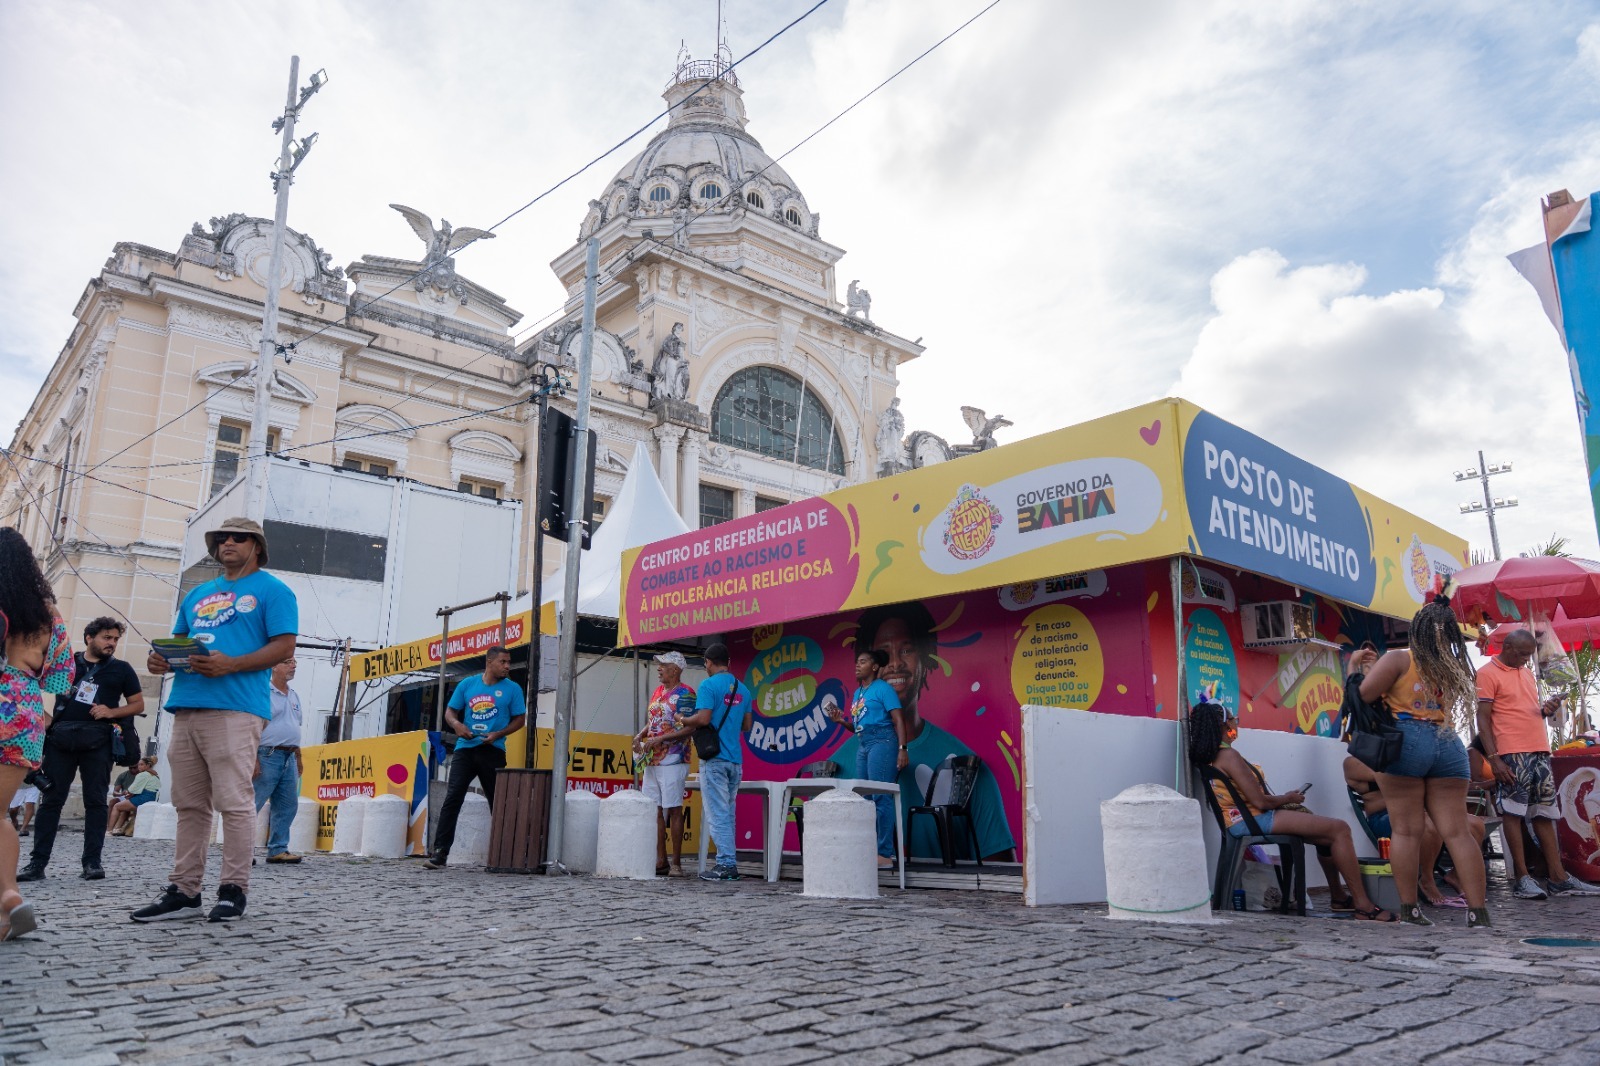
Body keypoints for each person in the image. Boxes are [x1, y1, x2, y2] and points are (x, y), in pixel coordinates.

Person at [133, 517, 297, 923]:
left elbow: (284, 646)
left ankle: (233, 890)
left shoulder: (273, 590)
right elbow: (176, 643)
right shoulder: (198, 593)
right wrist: (159, 661)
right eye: (221, 537)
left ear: (256, 545)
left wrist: (234, 664)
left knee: (236, 804)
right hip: (186, 705)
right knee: (189, 805)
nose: (228, 542)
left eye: (238, 537)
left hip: (237, 708)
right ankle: (185, 891)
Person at [831, 602, 1015, 862]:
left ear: (926, 659)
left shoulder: (967, 768)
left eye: (906, 649)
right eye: (883, 655)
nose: (895, 663)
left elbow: (1001, 875)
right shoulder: (838, 766)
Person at [1351, 594, 1490, 928]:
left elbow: (1363, 696)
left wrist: (1355, 668)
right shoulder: (1452, 667)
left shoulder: (1400, 658)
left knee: (1407, 831)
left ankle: (1410, 909)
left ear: (1418, 631)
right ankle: (1478, 912)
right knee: (1457, 832)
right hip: (1447, 742)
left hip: (1406, 741)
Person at [1189, 702, 1395, 921]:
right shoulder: (1229, 755)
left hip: (1241, 820)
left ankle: (1338, 897)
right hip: (1255, 819)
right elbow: (1260, 802)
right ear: (1221, 725)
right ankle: (1363, 905)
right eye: (1232, 719)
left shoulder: (1211, 756)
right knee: (1339, 829)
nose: (1235, 724)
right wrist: (1289, 798)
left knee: (1325, 835)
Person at [18, 616, 145, 882]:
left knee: (96, 803)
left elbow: (137, 705)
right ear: (90, 638)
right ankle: (37, 864)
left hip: (98, 742)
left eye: (115, 639)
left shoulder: (121, 669)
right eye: (106, 638)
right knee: (51, 802)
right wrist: (45, 719)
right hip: (60, 741)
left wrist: (112, 711)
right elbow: (28, 684)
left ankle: (92, 863)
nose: (111, 643)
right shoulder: (66, 664)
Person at [1475, 629, 1600, 899]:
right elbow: (1482, 718)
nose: (1524, 660)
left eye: (1528, 656)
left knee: (1546, 813)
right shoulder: (1487, 673)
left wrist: (1546, 709)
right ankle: (1522, 878)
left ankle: (1558, 877)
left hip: (1539, 749)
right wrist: (1494, 758)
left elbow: (1525, 711)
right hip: (1511, 752)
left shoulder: (1527, 673)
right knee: (1513, 812)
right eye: (1520, 654)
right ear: (1506, 647)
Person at [0, 526, 75, 940]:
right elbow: (62, 674)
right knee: (0, 813)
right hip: (25, 708)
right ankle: (8, 900)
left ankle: (8, 897)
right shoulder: (46, 610)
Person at [424, 646, 525, 870]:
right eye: (503, 662)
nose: (507, 666)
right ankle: (440, 852)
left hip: (494, 749)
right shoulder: (467, 684)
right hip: (465, 748)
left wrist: (499, 733)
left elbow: (520, 719)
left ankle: (502, 855)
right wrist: (457, 725)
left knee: (498, 802)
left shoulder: (513, 689)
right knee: (453, 798)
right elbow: (450, 712)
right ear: (489, 662)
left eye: (509, 662)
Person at [1344, 755, 1483, 907]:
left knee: (1475, 824)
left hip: (1420, 812)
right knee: (1427, 823)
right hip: (1386, 817)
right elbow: (1394, 776)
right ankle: (1426, 880)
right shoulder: (1353, 763)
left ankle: (1455, 876)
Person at [822, 648, 908, 867]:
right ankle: (870, 850)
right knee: (866, 799)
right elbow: (858, 726)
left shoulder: (883, 689)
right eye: (856, 662)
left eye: (862, 661)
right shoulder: (859, 692)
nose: (857, 665)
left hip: (883, 741)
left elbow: (898, 719)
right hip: (864, 743)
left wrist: (902, 748)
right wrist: (841, 721)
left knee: (881, 796)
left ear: (875, 666)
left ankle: (885, 854)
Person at [680, 642, 751, 882]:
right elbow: (747, 725)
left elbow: (703, 718)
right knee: (728, 812)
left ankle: (726, 865)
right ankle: (727, 861)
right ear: (728, 663)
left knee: (717, 813)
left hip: (714, 758)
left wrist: (682, 718)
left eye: (706, 664)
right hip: (735, 760)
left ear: (709, 662)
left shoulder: (708, 685)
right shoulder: (744, 689)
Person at [632, 651, 696, 876]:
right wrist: (641, 735)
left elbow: (690, 727)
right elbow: (653, 721)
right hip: (653, 759)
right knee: (655, 809)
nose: (658, 668)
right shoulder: (658, 691)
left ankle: (676, 862)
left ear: (676, 670)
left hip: (674, 759)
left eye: (663, 665)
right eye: (658, 665)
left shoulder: (686, 693)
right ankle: (660, 860)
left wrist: (660, 739)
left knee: (674, 809)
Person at [254, 657, 305, 864]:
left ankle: (278, 848)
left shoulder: (294, 695)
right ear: (273, 666)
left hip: (289, 755)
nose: (293, 666)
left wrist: (298, 756)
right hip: (266, 754)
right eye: (287, 662)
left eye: (294, 662)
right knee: (252, 803)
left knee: (287, 805)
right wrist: (253, 758)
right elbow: (254, 726)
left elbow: (294, 726)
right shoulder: (262, 692)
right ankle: (242, 851)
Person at [107, 757, 160, 836]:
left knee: (116, 806)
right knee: (125, 806)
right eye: (139, 765)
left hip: (143, 798)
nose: (139, 767)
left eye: (141, 765)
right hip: (151, 798)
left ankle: (109, 830)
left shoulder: (142, 775)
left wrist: (128, 793)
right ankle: (117, 828)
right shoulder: (155, 775)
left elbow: (132, 789)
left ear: (148, 765)